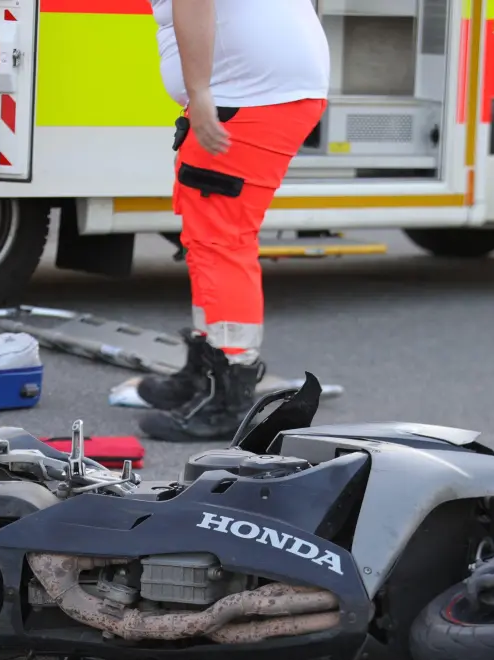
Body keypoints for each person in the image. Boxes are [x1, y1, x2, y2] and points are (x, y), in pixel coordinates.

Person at [136, 0, 330, 442]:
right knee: (208, 235)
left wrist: (200, 91)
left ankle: (230, 394)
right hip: (263, 87)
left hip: (249, 93)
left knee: (222, 241)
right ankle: (207, 372)